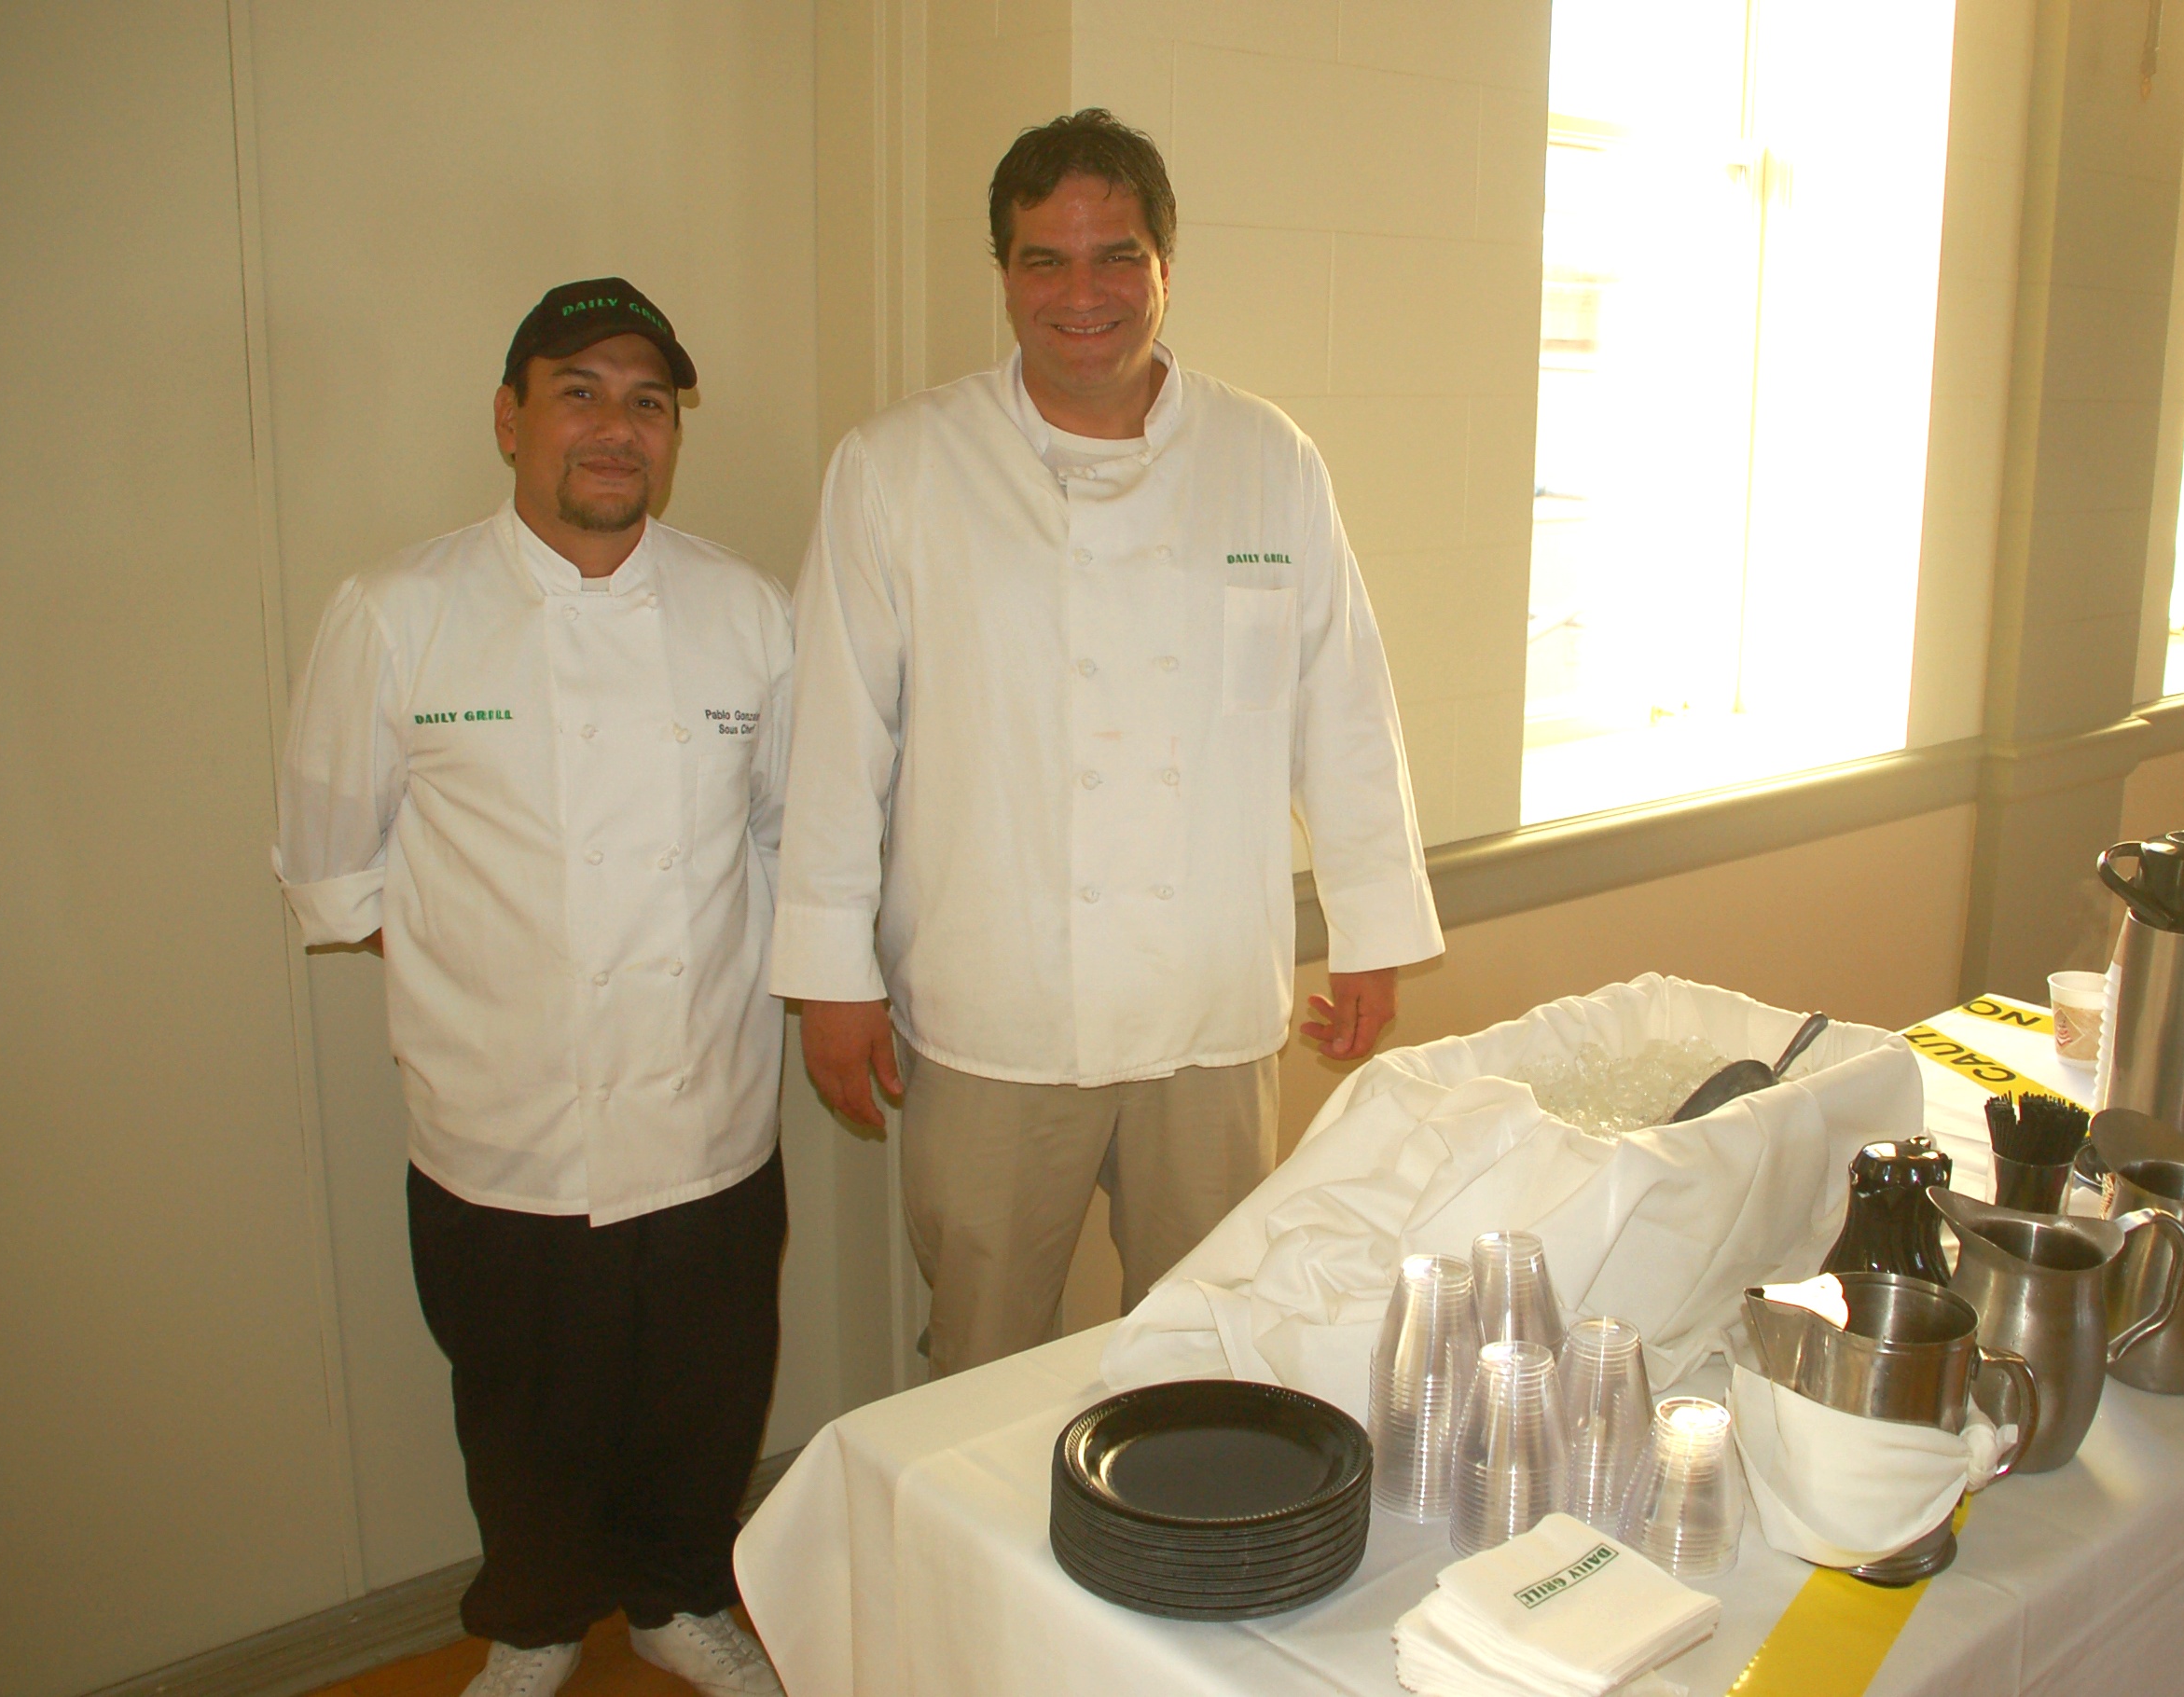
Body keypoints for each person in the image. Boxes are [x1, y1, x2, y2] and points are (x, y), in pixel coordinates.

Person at [773, 111, 1444, 1378]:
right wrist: (829, 976)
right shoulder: (898, 468)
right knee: (981, 1351)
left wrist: (1372, 929)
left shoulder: (1268, 459)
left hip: (1209, 999)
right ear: (1005, 275)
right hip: (993, 1000)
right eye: (1046, 260)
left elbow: (1344, 702)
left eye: (1116, 257)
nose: (1082, 294)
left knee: (1206, 1344)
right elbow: (837, 734)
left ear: (1165, 269)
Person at [274, 279, 788, 1697]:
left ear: (672, 433)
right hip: (498, 1124)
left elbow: (784, 840)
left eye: (647, 401)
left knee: (704, 1395)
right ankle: (538, 1623)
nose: (615, 426)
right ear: (510, 420)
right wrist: (498, 982)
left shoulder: (751, 613)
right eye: (579, 391)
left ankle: (682, 1599)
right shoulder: (398, 614)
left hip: (707, 1112)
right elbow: (335, 867)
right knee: (518, 1406)